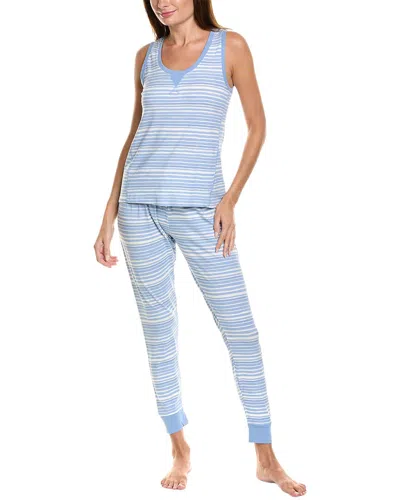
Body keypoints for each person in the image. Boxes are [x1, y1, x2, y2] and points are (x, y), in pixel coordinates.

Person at [94, 0, 306, 496]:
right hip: (139, 209)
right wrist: (109, 210)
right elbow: (135, 133)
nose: (162, 2)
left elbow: (258, 126)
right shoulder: (146, 56)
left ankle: (266, 456)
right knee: (159, 332)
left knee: (241, 332)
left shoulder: (231, 47)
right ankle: (180, 449)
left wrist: (230, 198)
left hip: (203, 211)